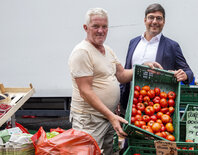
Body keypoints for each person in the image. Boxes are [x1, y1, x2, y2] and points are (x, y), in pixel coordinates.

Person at [68, 8, 161, 154]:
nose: (101, 31)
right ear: (86, 28)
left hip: (107, 116)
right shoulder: (82, 52)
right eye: (96, 26)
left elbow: (122, 75)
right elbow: (85, 91)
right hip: (89, 120)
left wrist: (143, 66)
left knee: (109, 152)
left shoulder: (107, 50)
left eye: (104, 27)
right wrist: (111, 116)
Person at [120, 3, 194, 110]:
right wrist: (120, 99)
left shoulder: (172, 46)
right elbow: (126, 71)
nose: (155, 21)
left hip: (157, 107)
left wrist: (185, 75)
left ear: (163, 22)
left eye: (159, 18)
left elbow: (189, 72)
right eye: (151, 18)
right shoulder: (133, 42)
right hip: (131, 103)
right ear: (145, 20)